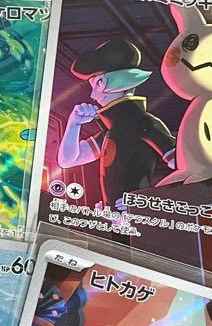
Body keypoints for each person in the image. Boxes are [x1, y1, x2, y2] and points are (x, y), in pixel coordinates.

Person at [57, 37, 175, 207]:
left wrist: (145, 203)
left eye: (97, 83)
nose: (93, 95)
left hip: (138, 217)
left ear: (115, 82)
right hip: (114, 217)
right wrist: (74, 124)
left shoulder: (144, 123)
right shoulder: (111, 130)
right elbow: (68, 161)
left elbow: (185, 168)